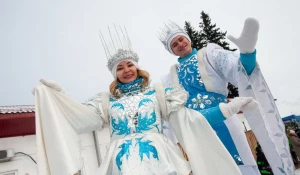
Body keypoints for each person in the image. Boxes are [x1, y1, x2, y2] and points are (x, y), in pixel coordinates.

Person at [32, 27, 256, 175]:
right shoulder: (106, 101)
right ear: (114, 74)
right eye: (119, 68)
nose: (126, 70)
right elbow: (80, 119)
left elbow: (191, 121)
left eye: (129, 65)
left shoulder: (158, 93)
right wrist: (59, 98)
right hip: (120, 165)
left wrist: (226, 109)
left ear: (137, 67)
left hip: (161, 162)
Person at [158, 18, 293, 175]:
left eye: (181, 39)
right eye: (174, 44)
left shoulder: (209, 55)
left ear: (187, 38)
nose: (180, 45)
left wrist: (247, 55)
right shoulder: (169, 77)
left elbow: (238, 70)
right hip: (196, 129)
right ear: (171, 50)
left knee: (240, 165)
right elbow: (168, 110)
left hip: (224, 119)